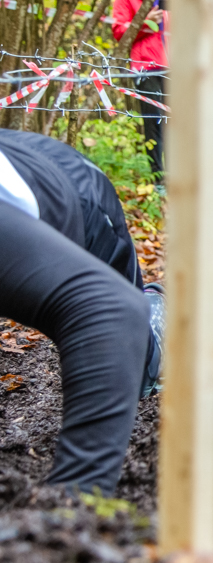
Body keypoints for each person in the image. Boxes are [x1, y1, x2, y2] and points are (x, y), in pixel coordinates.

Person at [0, 129, 165, 494]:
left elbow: (111, 310)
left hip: (73, 189)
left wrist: (74, 510)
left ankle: (159, 320)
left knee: (133, 352)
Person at [112, 0, 168, 191]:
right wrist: (146, 22)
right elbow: (119, 31)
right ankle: (159, 176)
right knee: (154, 120)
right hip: (146, 65)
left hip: (173, 64)